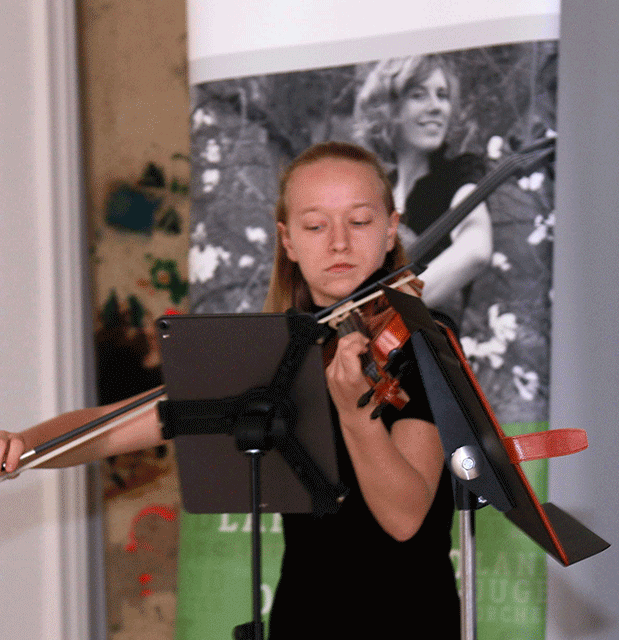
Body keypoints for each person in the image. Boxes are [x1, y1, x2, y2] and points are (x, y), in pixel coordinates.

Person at [1, 142, 459, 638]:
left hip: (411, 619)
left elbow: (405, 517)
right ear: (287, 240)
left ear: (391, 228)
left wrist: (354, 416)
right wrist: (25, 446)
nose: (339, 243)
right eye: (314, 225)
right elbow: (114, 427)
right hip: (303, 619)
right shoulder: (271, 351)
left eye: (361, 221)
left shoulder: (422, 339)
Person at [354, 54, 492, 316]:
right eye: (419, 95)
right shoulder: (377, 195)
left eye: (442, 95)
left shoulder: (459, 175)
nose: (436, 107)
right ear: (389, 110)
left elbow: (475, 250)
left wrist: (386, 312)